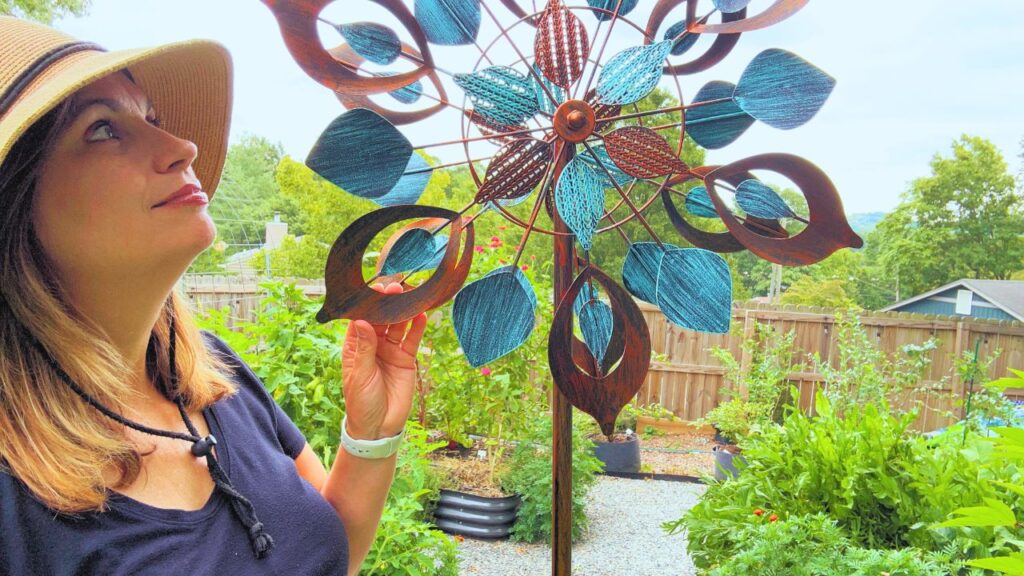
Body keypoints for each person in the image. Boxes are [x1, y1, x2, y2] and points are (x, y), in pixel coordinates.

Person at [0, 15, 426, 575]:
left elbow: (327, 554)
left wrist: (372, 434)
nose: (183, 144)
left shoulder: (219, 376)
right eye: (103, 129)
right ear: (14, 205)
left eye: (150, 116)